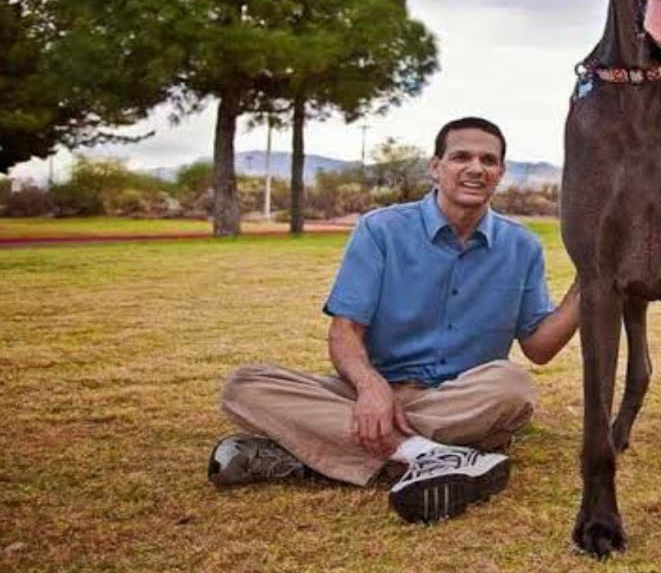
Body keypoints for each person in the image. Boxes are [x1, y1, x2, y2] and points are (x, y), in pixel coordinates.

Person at [207, 117, 581, 525]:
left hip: (458, 399)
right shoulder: (380, 230)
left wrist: (591, 282)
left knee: (514, 385)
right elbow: (345, 331)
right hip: (372, 394)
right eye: (461, 157)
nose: (476, 167)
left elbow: (539, 349)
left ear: (501, 173)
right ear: (435, 167)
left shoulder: (521, 245)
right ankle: (431, 455)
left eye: (488, 160)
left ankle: (311, 454)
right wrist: (371, 388)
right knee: (245, 385)